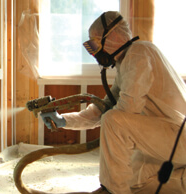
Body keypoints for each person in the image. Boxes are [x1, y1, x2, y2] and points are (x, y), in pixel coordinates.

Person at [40, 11, 186, 194]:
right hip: (166, 137)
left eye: (94, 44)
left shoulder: (139, 52)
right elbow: (103, 108)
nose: (95, 52)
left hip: (178, 135)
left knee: (113, 121)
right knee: (135, 183)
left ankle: (111, 191)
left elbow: (124, 112)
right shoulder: (125, 63)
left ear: (114, 35)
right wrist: (64, 120)